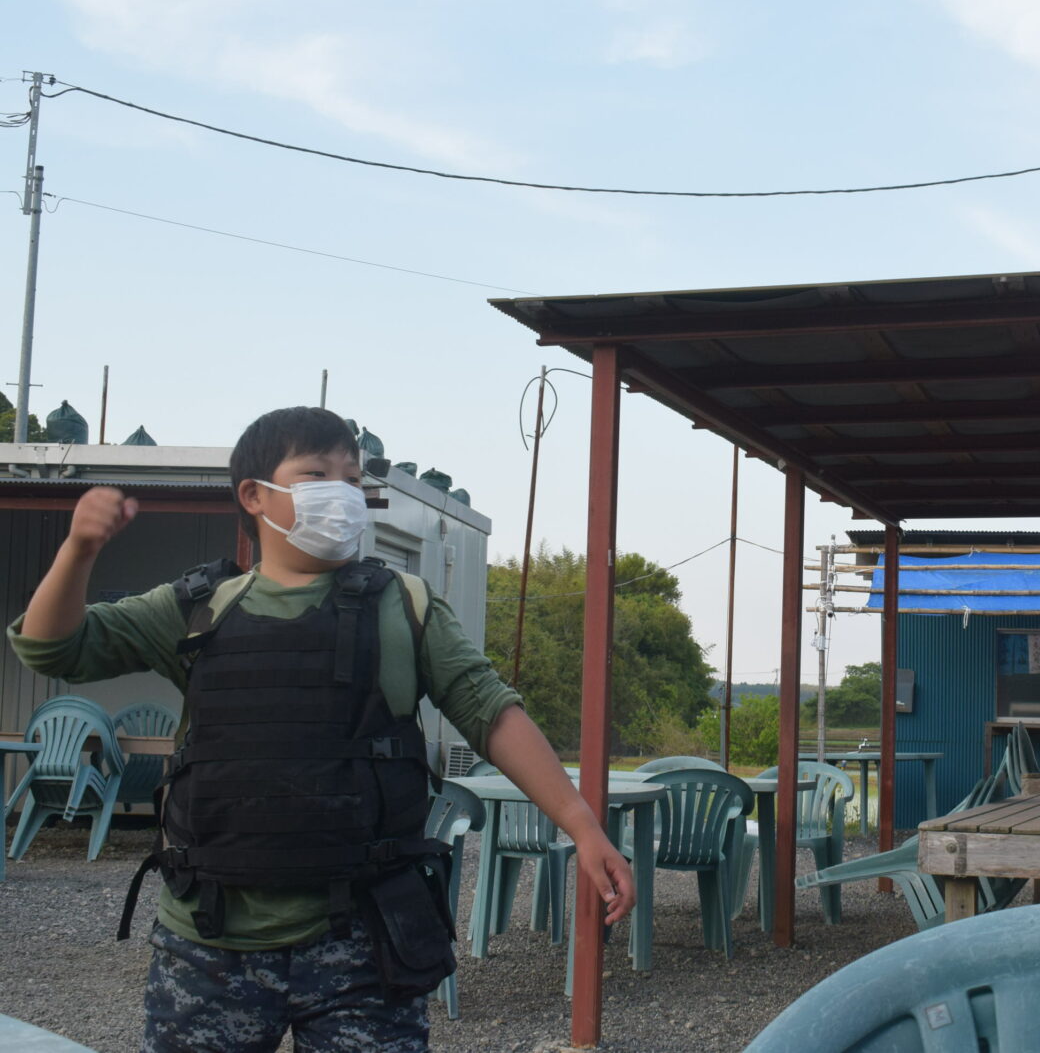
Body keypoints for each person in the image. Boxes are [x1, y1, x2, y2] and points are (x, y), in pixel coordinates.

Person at [7, 406, 636, 1052]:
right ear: (254, 495)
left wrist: (583, 827)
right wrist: (79, 550)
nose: (341, 492)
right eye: (315, 474)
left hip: (364, 943)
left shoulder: (405, 605)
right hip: (209, 941)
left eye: (351, 477)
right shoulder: (197, 608)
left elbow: (491, 712)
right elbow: (53, 648)